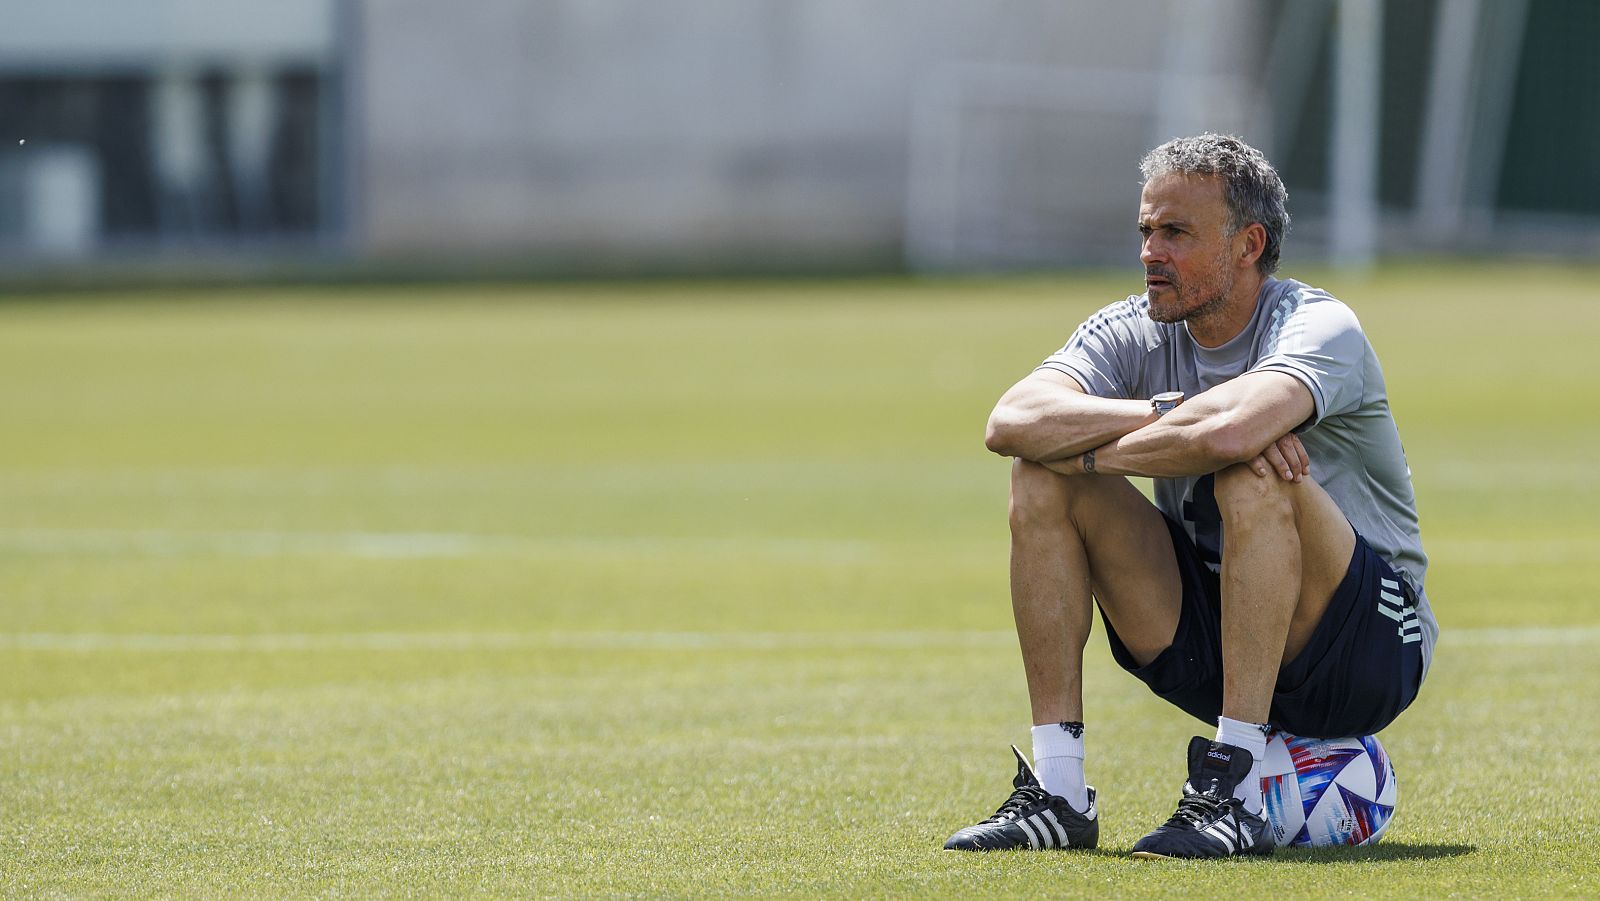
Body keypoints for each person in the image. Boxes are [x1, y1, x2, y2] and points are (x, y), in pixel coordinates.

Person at [942, 134, 1435, 859]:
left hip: (1367, 648)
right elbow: (1010, 421)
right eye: (1146, 230)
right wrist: (1165, 418)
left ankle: (1232, 791)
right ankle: (1059, 793)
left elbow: (1235, 432)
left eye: (1175, 232)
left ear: (1248, 244)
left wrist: (1099, 445)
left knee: (1254, 467)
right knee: (1039, 471)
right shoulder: (1132, 330)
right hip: (1222, 633)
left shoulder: (1320, 326)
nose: (1150, 251)